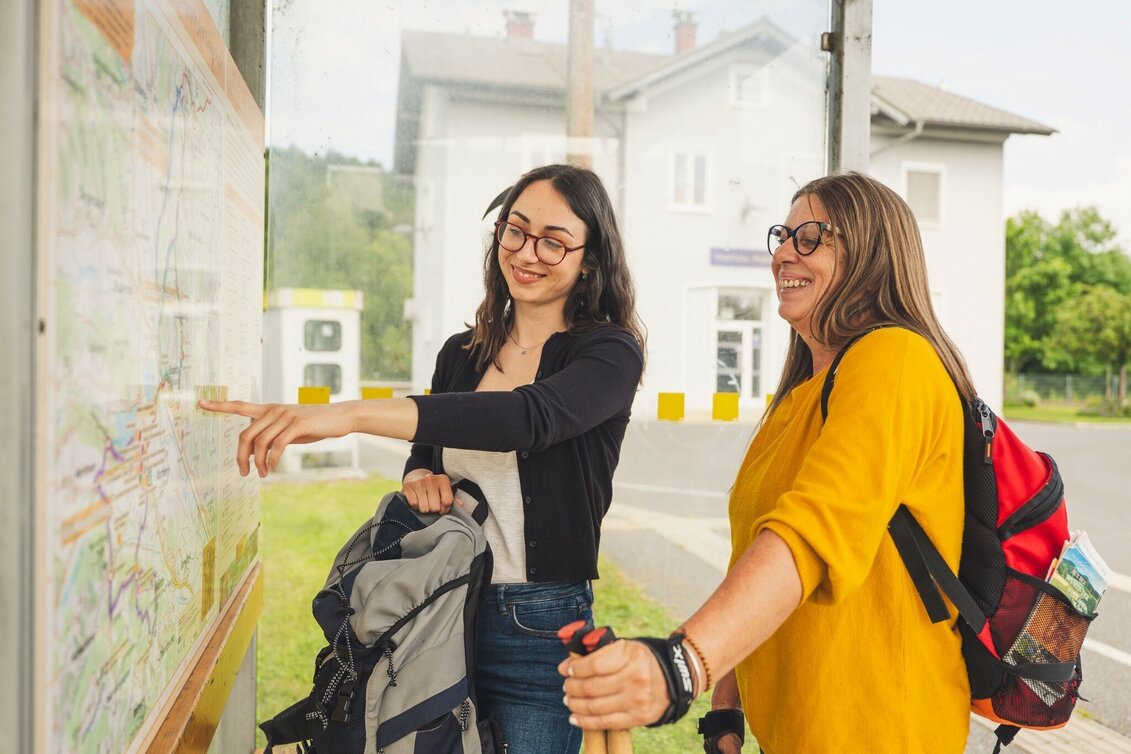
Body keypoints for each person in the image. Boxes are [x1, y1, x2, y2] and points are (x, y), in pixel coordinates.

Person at [201, 163, 645, 754]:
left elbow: (527, 420)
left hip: (536, 625)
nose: (527, 252)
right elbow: (428, 448)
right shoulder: (461, 354)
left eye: (554, 241)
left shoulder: (609, 354)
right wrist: (418, 474)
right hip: (435, 603)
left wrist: (349, 415)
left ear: (589, 259)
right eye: (514, 230)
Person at [560, 172, 974, 754]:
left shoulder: (896, 361)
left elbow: (810, 534)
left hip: (881, 731)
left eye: (812, 237)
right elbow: (756, 555)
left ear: (872, 254)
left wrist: (679, 668)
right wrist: (725, 709)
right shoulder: (805, 391)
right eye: (784, 235)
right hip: (793, 733)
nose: (783, 253)